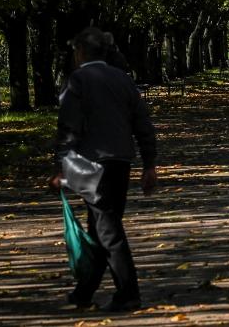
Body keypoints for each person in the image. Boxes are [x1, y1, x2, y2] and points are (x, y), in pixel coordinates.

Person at [51, 26, 158, 314]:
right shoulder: (123, 79)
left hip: (92, 165)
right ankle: (84, 291)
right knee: (100, 227)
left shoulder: (78, 81)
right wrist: (150, 164)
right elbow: (143, 125)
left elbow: (68, 128)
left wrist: (61, 166)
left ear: (80, 52)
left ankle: (128, 293)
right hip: (121, 162)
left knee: (107, 229)